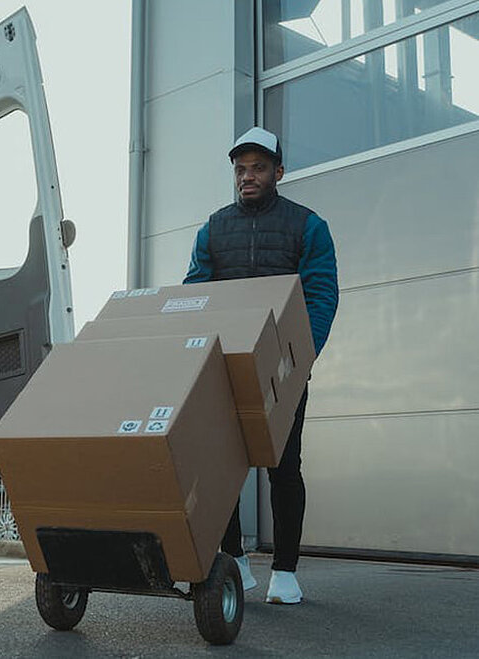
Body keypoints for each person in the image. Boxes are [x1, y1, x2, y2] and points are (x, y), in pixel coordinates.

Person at [184, 127, 338, 605]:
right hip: (223, 367)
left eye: (258, 168)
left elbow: (320, 295)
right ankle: (237, 562)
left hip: (283, 370)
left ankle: (286, 573)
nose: (247, 177)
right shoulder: (214, 227)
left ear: (278, 172)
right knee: (222, 467)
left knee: (283, 466)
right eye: (240, 169)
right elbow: (195, 291)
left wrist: (301, 358)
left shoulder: (307, 226)